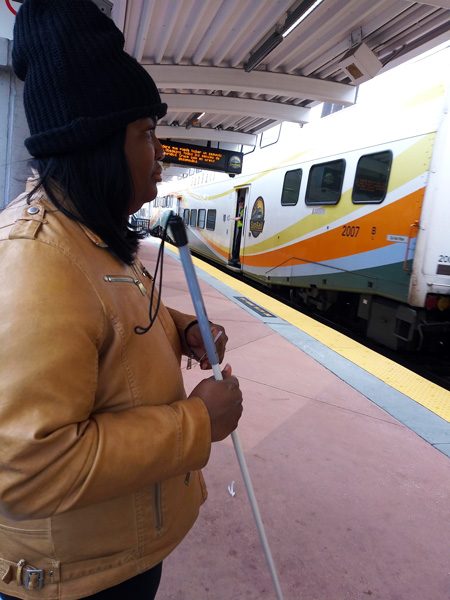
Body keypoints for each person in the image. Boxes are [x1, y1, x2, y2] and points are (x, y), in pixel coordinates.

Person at [0, 1, 243, 599]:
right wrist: (198, 423)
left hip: (109, 556)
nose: (159, 157)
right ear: (96, 144)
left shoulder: (89, 236)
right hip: (72, 582)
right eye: (145, 133)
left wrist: (178, 327)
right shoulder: (37, 262)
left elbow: (105, 320)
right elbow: (30, 467)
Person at [230, 197, 245, 265]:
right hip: (240, 227)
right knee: (237, 242)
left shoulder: (245, 209)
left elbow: (243, 218)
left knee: (238, 243)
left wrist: (238, 218)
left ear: (243, 202)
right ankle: (234, 257)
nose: (239, 204)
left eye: (240, 202)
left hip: (242, 228)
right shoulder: (242, 209)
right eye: (239, 202)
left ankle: (236, 258)